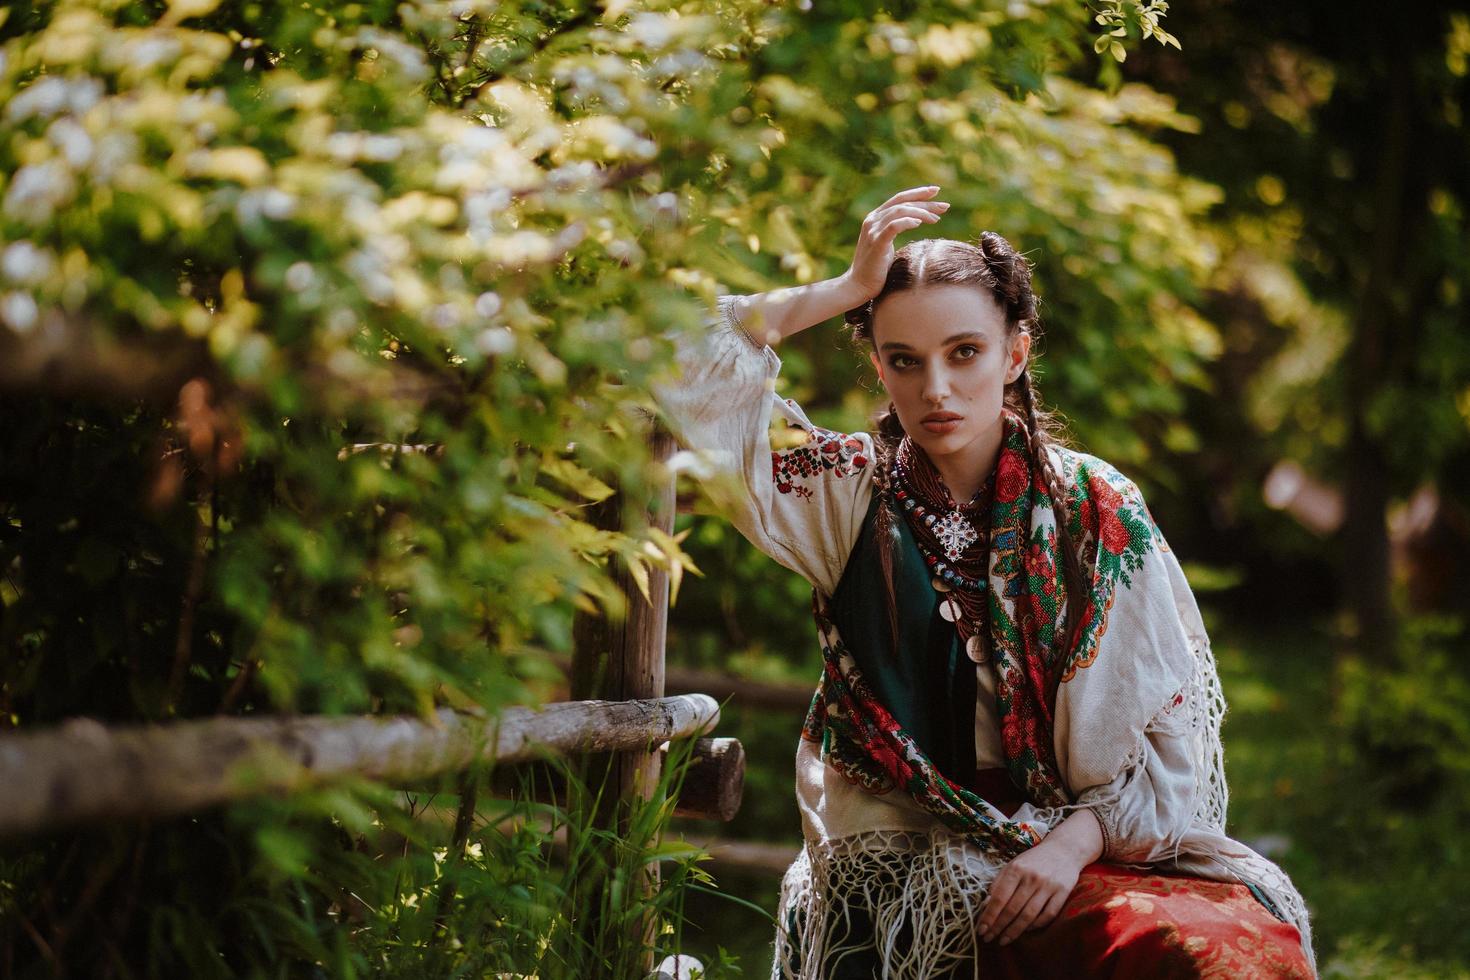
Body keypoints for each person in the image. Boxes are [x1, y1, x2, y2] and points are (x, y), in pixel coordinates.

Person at [649, 185, 1315, 979]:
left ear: (1016, 353)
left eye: (964, 352)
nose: (936, 390)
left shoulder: (1097, 510)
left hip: (1083, 843)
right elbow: (674, 348)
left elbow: (1160, 740)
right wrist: (847, 290)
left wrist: (1069, 847)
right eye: (904, 359)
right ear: (877, 364)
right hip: (907, 859)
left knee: (1229, 954)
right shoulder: (845, 495)